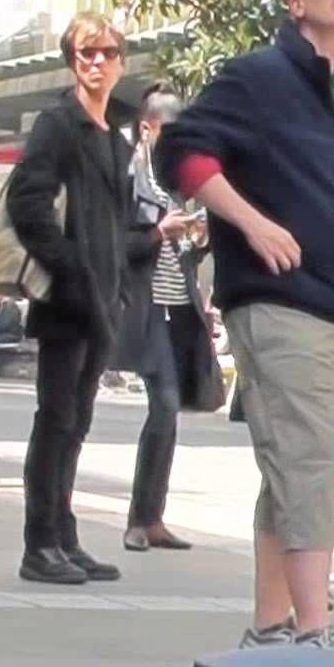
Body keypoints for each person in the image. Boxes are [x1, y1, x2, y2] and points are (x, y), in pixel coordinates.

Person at [156, 0, 334, 649]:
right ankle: (313, 631)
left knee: (300, 470)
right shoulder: (258, 77)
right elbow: (182, 152)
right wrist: (251, 221)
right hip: (283, 304)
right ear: (297, 0)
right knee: (312, 468)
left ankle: (270, 627)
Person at [9, 12, 136, 585]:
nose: (96, 62)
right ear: (71, 61)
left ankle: (64, 535)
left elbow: (117, 218)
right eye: (85, 53)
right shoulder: (55, 124)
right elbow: (28, 206)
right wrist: (73, 270)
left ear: (120, 62)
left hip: (103, 299)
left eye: (106, 53)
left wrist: (114, 285)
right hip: (66, 300)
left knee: (77, 422)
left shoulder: (114, 131)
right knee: (56, 419)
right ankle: (40, 544)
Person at [115, 87, 215, 553]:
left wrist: (198, 237)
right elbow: (118, 247)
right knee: (165, 405)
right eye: (168, 132)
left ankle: (152, 516)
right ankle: (140, 518)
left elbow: (186, 256)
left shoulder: (178, 182)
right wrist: (160, 231)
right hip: (144, 305)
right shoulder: (129, 179)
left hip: (180, 309)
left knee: (171, 412)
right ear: (147, 128)